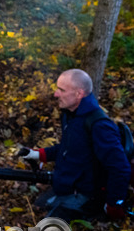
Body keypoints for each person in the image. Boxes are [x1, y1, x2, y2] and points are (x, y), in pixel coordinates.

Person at [19, 69, 131, 221]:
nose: (55, 94)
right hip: (67, 187)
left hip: (86, 195)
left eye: (61, 90)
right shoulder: (70, 114)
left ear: (79, 94)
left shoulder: (99, 125)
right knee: (37, 206)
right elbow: (69, 147)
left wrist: (114, 204)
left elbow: (120, 167)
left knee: (45, 230)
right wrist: (38, 154)